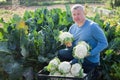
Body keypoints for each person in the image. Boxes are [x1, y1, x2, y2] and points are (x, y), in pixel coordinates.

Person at [57, 4, 108, 74]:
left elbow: (104, 43)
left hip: (90, 59)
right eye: (74, 14)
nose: (76, 17)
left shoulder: (92, 26)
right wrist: (69, 45)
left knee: (70, 66)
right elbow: (71, 47)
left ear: (84, 13)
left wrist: (90, 53)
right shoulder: (72, 28)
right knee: (60, 53)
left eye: (78, 14)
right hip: (77, 55)